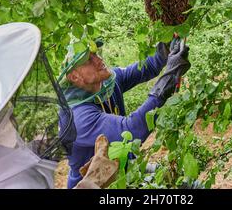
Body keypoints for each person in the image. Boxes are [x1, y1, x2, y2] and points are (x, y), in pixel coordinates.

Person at [58, 36, 190, 189]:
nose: (98, 59)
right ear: (74, 77)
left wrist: (167, 50)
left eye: (95, 53)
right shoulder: (76, 117)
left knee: (187, 184)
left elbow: (147, 67)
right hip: (96, 183)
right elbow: (132, 130)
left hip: (124, 168)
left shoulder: (107, 82)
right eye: (88, 60)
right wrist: (168, 79)